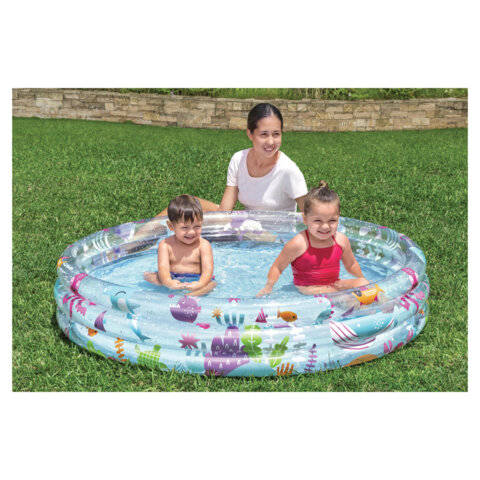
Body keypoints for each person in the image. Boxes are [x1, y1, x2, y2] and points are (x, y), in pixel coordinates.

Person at [153, 102, 308, 217]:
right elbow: (225, 211)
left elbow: (311, 216)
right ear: (250, 134)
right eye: (264, 134)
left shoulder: (288, 170)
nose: (271, 141)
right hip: (248, 227)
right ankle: (141, 240)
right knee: (182, 205)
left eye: (276, 134)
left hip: (275, 237)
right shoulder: (239, 159)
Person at [256, 181, 370, 297]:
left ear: (338, 217)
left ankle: (373, 302)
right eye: (317, 221)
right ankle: (354, 303)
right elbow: (278, 267)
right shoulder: (299, 243)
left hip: (334, 284)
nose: (325, 227)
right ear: (305, 219)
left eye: (332, 220)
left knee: (364, 284)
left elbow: (351, 264)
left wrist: (364, 281)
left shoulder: (341, 240)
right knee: (342, 296)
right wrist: (268, 287)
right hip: (309, 288)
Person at [143, 195, 216, 296]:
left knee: (211, 284)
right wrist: (168, 282)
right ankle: (169, 291)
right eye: (185, 228)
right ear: (171, 226)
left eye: (197, 226)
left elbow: (208, 271)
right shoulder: (165, 245)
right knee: (150, 276)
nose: (191, 232)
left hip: (197, 278)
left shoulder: (204, 245)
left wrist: (200, 283)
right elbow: (163, 268)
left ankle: (191, 295)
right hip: (172, 276)